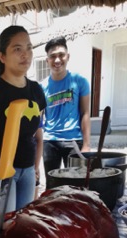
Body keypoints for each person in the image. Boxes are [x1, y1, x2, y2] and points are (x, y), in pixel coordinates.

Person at [0, 25, 46, 215]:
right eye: (17, 49)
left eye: (29, 48)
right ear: (2, 57)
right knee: (6, 226)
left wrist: (35, 168)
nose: (25, 54)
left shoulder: (36, 90)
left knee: (24, 223)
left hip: (27, 170)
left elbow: (38, 135)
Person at [41, 36, 91, 187]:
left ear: (67, 57)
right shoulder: (41, 87)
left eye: (61, 55)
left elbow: (85, 113)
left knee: (77, 184)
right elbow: (38, 118)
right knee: (53, 185)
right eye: (53, 56)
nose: (57, 60)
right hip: (50, 141)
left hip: (74, 140)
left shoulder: (80, 81)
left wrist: (87, 145)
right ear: (47, 60)